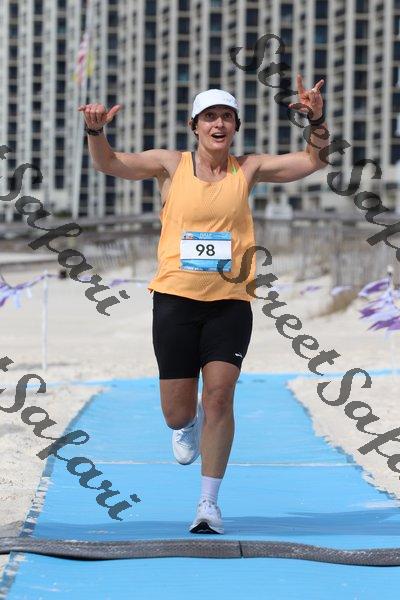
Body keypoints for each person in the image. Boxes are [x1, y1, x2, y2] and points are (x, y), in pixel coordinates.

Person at [78, 75, 328, 534]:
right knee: (178, 412)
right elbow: (110, 163)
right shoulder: (169, 165)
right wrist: (95, 131)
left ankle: (208, 503)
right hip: (175, 301)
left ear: (235, 126)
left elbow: (313, 160)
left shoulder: (247, 168)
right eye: (210, 116)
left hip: (229, 303)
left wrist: (316, 120)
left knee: (219, 396)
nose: (219, 124)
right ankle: (184, 424)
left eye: (227, 117)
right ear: (194, 125)